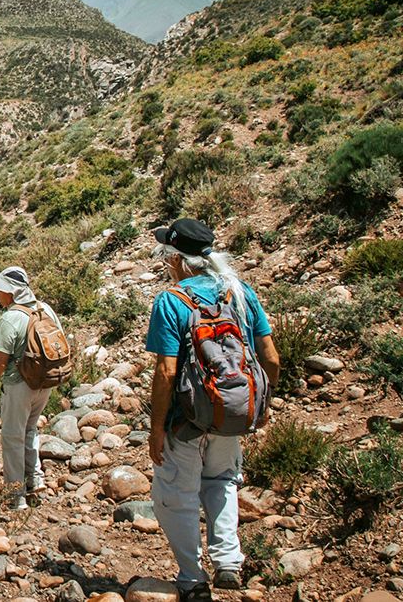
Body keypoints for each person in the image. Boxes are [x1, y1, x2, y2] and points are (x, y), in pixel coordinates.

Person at [145, 218, 280, 601]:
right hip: (233, 411)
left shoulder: (171, 300)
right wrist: (260, 403)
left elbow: (167, 369)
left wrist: (157, 429)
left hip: (186, 419)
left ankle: (192, 579)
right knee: (221, 481)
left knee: (176, 495)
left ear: (175, 259)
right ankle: (229, 563)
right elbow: (270, 356)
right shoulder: (240, 292)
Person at [0, 265, 64, 509]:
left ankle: (15, 497)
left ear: (12, 292)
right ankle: (34, 481)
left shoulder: (10, 317)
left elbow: (0, 361)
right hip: (44, 382)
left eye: (0, 290)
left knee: (12, 437)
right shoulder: (45, 309)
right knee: (30, 430)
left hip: (19, 385)